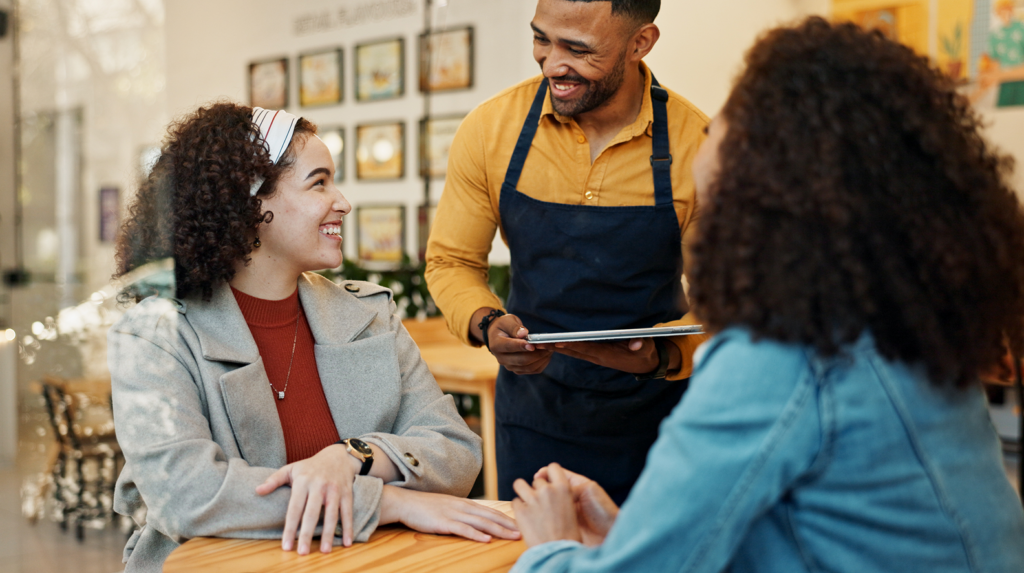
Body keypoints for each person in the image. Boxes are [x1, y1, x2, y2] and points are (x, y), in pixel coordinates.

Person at [510, 17, 1024, 572]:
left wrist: (549, 549)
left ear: (764, 170)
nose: (704, 141)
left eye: (721, 126)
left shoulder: (778, 354)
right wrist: (627, 533)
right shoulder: (907, 324)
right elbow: (823, 533)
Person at [109, 103, 519, 573]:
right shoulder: (154, 336)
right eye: (319, 182)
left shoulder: (369, 314)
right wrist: (384, 503)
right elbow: (189, 495)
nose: (342, 201)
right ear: (248, 203)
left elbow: (456, 449)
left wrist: (352, 458)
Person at [424, 0, 709, 504]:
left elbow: (728, 305)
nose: (552, 64)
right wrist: (487, 322)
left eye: (577, 49)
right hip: (535, 414)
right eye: (541, 39)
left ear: (640, 44)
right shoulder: (491, 131)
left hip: (663, 419)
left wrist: (659, 355)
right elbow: (452, 263)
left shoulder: (699, 147)